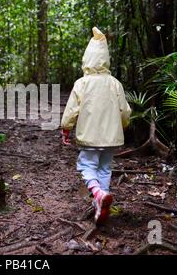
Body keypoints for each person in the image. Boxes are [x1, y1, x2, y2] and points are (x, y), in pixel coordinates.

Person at [60, 27, 132, 225]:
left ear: (87, 59)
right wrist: (124, 126)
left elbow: (72, 109)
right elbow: (125, 111)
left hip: (89, 136)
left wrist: (66, 128)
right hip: (111, 138)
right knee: (105, 168)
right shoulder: (115, 83)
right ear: (106, 59)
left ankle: (97, 193)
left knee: (86, 165)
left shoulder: (82, 83)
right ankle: (101, 200)